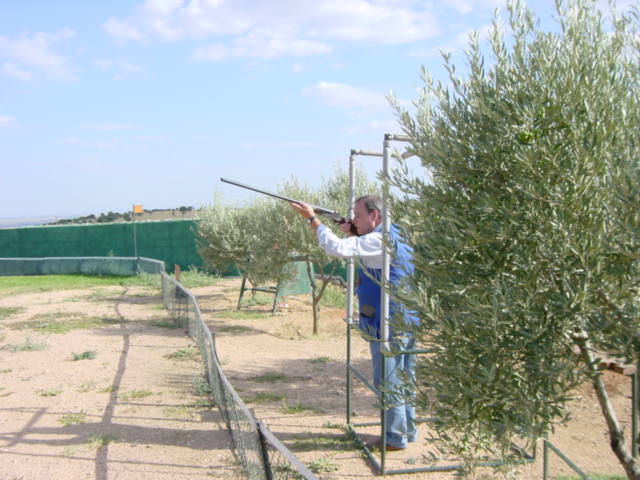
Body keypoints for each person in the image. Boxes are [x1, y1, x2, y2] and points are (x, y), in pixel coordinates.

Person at [290, 195, 418, 451]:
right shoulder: (394, 234)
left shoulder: (379, 239)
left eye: (359, 215)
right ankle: (407, 431)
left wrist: (312, 219)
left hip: (388, 321)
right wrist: (353, 231)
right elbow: (370, 252)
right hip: (404, 318)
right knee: (404, 378)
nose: (355, 219)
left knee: (389, 381)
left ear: (375, 216)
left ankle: (395, 438)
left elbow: (336, 249)